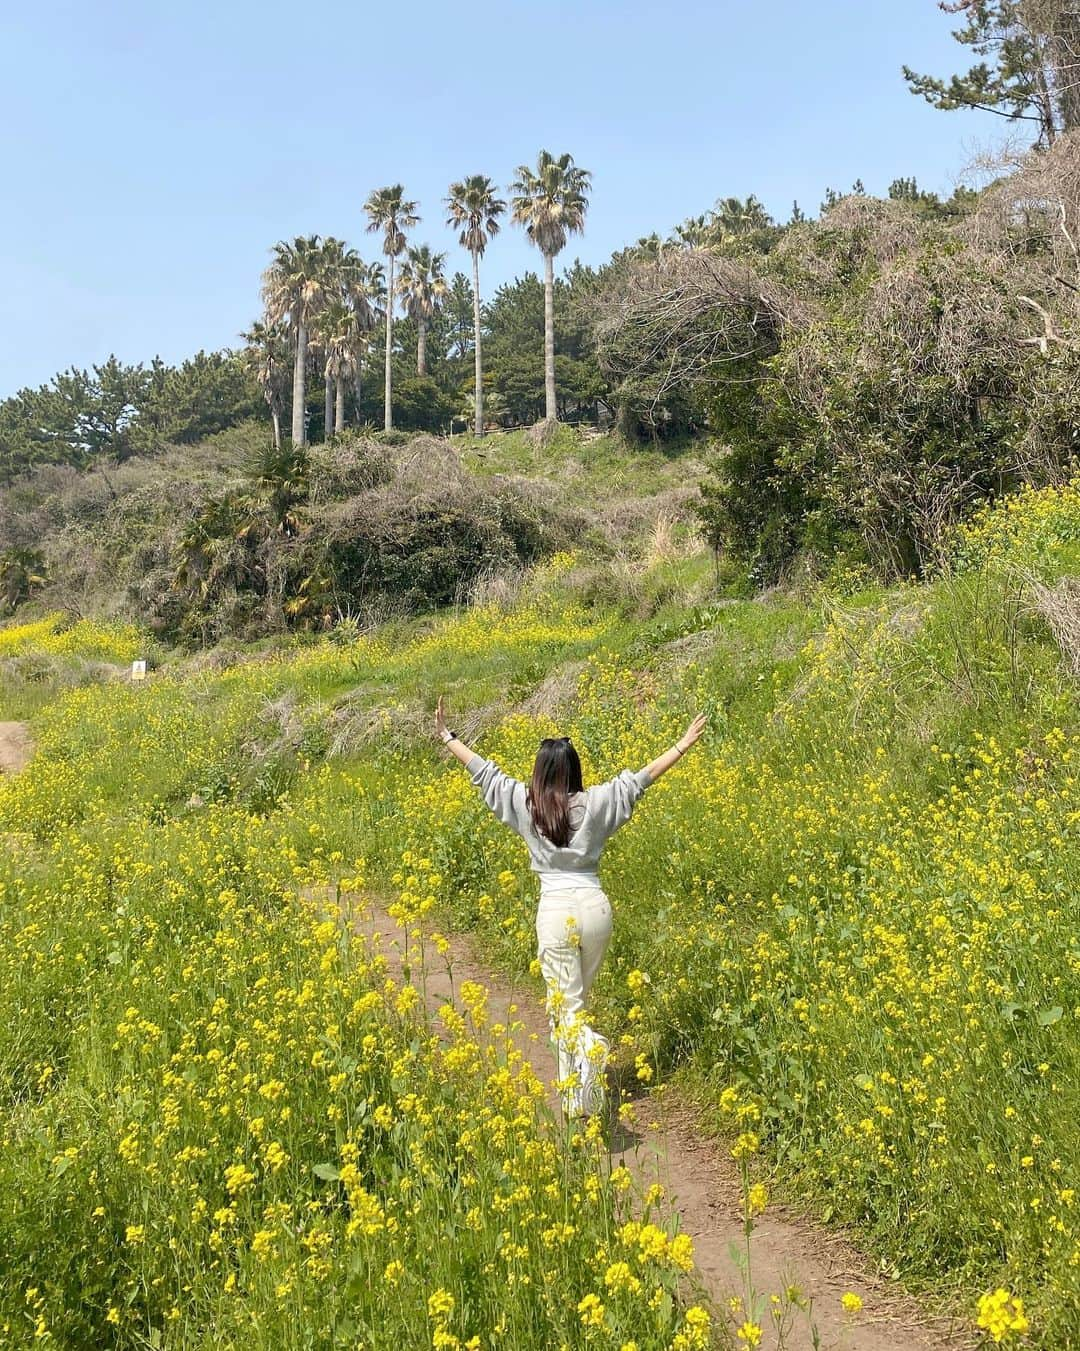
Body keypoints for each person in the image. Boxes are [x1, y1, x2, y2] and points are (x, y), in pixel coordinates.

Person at [434, 695, 708, 1120]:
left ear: (540, 773)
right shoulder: (598, 802)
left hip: (556, 909)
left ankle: (588, 1054)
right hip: (595, 907)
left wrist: (449, 738)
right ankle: (578, 1099)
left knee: (566, 1008)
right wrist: (682, 745)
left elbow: (484, 773)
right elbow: (641, 779)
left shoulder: (526, 804)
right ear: (575, 769)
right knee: (574, 1004)